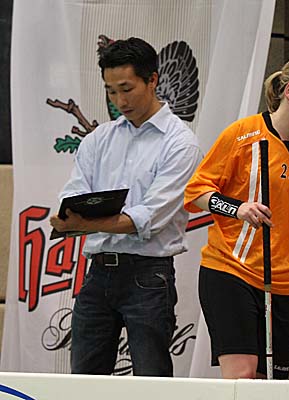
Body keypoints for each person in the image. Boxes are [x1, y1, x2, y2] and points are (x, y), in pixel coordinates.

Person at [49, 37, 201, 376]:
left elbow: (149, 218)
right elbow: (74, 194)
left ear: (153, 80)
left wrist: (85, 224)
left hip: (149, 274)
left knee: (151, 382)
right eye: (111, 91)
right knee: (84, 382)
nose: (119, 101)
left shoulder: (180, 143)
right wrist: (65, 216)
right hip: (97, 271)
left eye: (127, 89)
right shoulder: (99, 139)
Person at [184, 54, 289, 379]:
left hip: (287, 279)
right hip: (232, 269)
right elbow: (196, 192)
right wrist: (237, 208)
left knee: (272, 382)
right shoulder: (243, 134)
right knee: (242, 374)